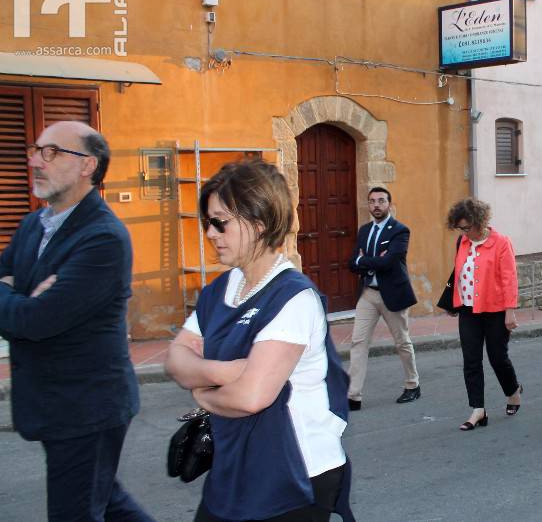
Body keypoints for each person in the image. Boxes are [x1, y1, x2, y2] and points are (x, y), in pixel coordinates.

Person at [165, 160, 354, 522]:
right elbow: (176, 359)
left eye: (221, 221)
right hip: (235, 464)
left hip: (295, 473)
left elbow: (251, 397)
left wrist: (201, 391)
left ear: (259, 223)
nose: (210, 232)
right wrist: (226, 370)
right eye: (208, 221)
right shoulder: (219, 291)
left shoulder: (292, 297)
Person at [0, 121, 153, 522]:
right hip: (53, 403)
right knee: (106, 501)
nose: (35, 160)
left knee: (77, 511)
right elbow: (20, 308)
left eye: (51, 152)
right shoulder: (34, 224)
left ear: (87, 165)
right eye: (35, 150)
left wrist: (17, 297)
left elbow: (35, 321)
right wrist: (19, 298)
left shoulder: (103, 237)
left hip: (86, 408)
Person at [445, 199, 522, 430]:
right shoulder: (463, 242)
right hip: (469, 310)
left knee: (498, 357)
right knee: (471, 360)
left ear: (480, 222)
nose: (465, 232)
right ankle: (477, 409)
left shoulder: (500, 242)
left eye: (468, 227)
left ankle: (513, 391)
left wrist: (510, 311)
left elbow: (509, 278)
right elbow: (459, 273)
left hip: (496, 310)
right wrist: (455, 300)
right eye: (461, 228)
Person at [347, 187, 420, 410]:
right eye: (372, 201)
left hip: (393, 294)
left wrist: (364, 261)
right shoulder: (364, 230)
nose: (376, 205)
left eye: (381, 201)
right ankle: (353, 395)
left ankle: (412, 384)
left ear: (389, 204)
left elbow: (388, 262)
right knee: (358, 343)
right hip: (368, 294)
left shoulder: (400, 231)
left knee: (402, 342)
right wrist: (368, 260)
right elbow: (351, 263)